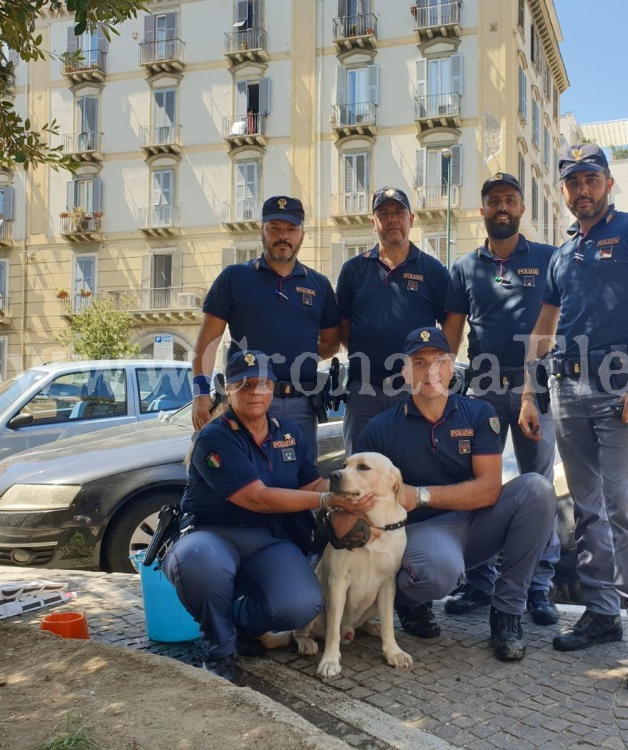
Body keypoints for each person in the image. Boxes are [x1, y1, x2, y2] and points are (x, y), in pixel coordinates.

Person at [518, 144, 628, 695]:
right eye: (572, 182)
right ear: (563, 190)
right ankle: (602, 612)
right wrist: (527, 393)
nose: (581, 189)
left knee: (623, 508)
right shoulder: (562, 256)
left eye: (591, 178)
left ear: (608, 183)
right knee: (585, 509)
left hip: (620, 392)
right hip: (568, 389)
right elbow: (542, 330)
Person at [164, 349, 374, 681]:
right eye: (245, 384)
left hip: (270, 540)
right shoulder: (215, 437)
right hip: (213, 535)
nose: (256, 392)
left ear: (273, 388)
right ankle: (218, 649)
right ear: (228, 389)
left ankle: (243, 623)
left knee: (302, 604)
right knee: (199, 563)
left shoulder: (288, 431)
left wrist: (348, 493)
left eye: (263, 384)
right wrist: (325, 499)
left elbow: (310, 483)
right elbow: (257, 498)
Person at [355, 327, 557, 662]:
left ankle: (506, 614)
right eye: (419, 363)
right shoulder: (380, 429)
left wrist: (419, 494)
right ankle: (408, 601)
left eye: (439, 362)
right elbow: (365, 503)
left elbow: (489, 489)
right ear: (405, 371)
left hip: (475, 522)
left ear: (452, 368)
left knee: (537, 489)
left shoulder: (477, 414)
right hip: (422, 533)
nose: (430, 371)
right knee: (439, 572)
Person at [441, 172, 560, 626]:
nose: (503, 208)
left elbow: (556, 327)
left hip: (536, 389)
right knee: (478, 484)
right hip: (483, 391)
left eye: (510, 200)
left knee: (540, 487)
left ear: (522, 209)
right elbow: (451, 341)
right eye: (494, 201)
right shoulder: (464, 268)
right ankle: (478, 582)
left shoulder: (549, 259)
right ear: (483, 209)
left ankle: (540, 587)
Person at [191, 196, 340, 452]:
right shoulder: (234, 278)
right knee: (243, 483)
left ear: (302, 235)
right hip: (247, 401)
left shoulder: (319, 285)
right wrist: (200, 394)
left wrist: (295, 356)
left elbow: (331, 344)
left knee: (300, 482)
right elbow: (207, 342)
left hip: (301, 406)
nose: (283, 236)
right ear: (262, 231)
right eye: (275, 228)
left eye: (291, 229)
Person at [336, 187, 450, 453]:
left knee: (413, 468)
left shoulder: (433, 271)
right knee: (360, 473)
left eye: (399, 212)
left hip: (414, 391)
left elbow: (449, 327)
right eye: (384, 213)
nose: (392, 219)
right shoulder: (353, 270)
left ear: (411, 219)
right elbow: (344, 328)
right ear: (373, 222)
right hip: (363, 389)